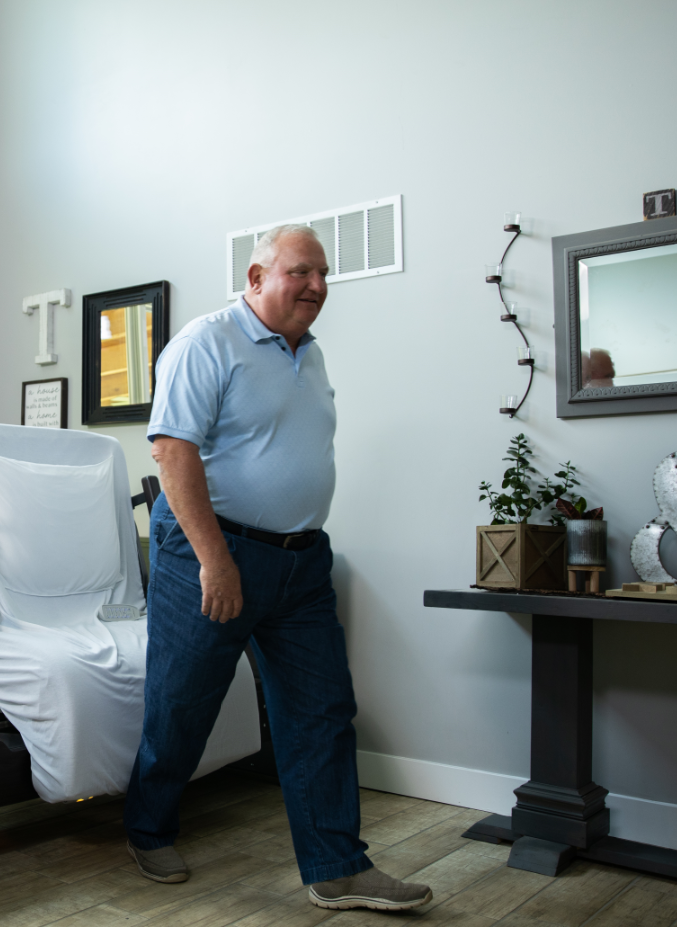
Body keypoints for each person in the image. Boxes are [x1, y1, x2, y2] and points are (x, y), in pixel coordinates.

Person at [122, 225, 432, 912]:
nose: (317, 286)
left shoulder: (309, 353)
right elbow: (172, 451)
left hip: (301, 561)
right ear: (257, 277)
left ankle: (337, 867)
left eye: (323, 274)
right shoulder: (205, 342)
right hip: (212, 550)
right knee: (183, 702)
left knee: (322, 709)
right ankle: (147, 827)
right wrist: (215, 561)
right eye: (301, 272)